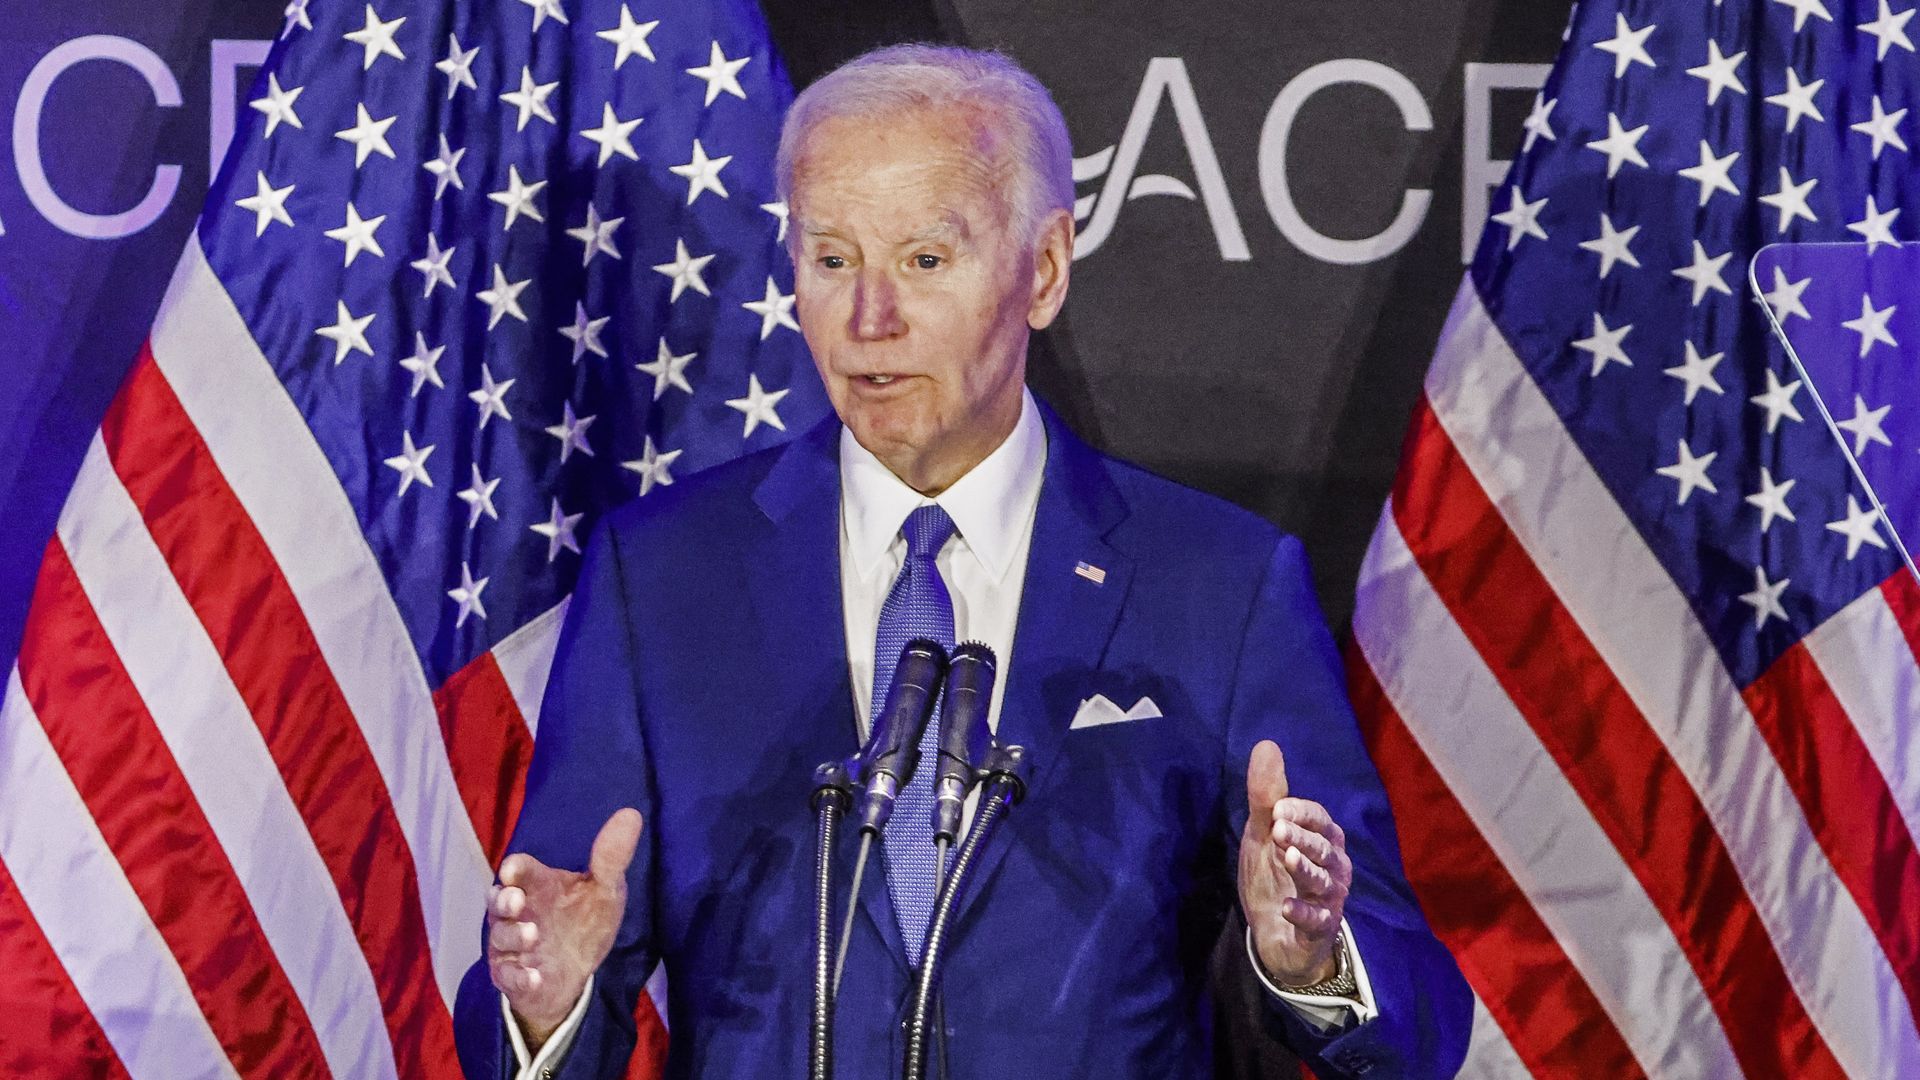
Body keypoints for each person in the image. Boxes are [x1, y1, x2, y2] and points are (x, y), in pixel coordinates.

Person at [454, 44, 1471, 1079]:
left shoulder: (1218, 584)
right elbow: (543, 991)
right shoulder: (662, 577)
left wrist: (1304, 954)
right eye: (833, 259)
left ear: (1044, 269)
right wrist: (547, 1002)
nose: (869, 320)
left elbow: (1419, 1032)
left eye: (925, 261)